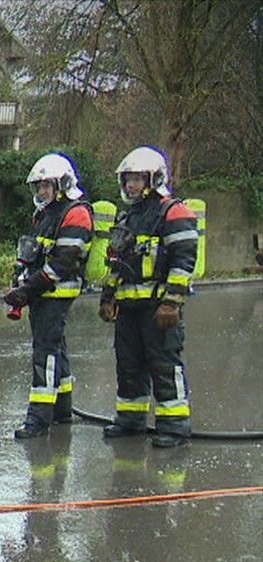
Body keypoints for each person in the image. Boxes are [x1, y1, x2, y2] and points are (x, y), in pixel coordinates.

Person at [97, 145, 199, 448]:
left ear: (154, 179)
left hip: (158, 308)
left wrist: (172, 302)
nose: (130, 185)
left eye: (137, 179)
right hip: (128, 308)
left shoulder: (172, 212)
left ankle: (175, 425)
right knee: (129, 365)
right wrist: (108, 297)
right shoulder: (127, 217)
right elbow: (116, 262)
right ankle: (130, 419)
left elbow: (183, 261)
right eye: (128, 179)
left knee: (164, 365)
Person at [2, 152, 93, 440]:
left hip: (56, 292)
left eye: (46, 186)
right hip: (42, 292)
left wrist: (28, 289)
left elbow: (62, 263)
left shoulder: (75, 213)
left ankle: (39, 419)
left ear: (62, 184)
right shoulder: (45, 214)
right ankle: (61, 410)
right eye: (39, 186)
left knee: (46, 351)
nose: (41, 192)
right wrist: (21, 279)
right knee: (56, 346)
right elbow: (33, 254)